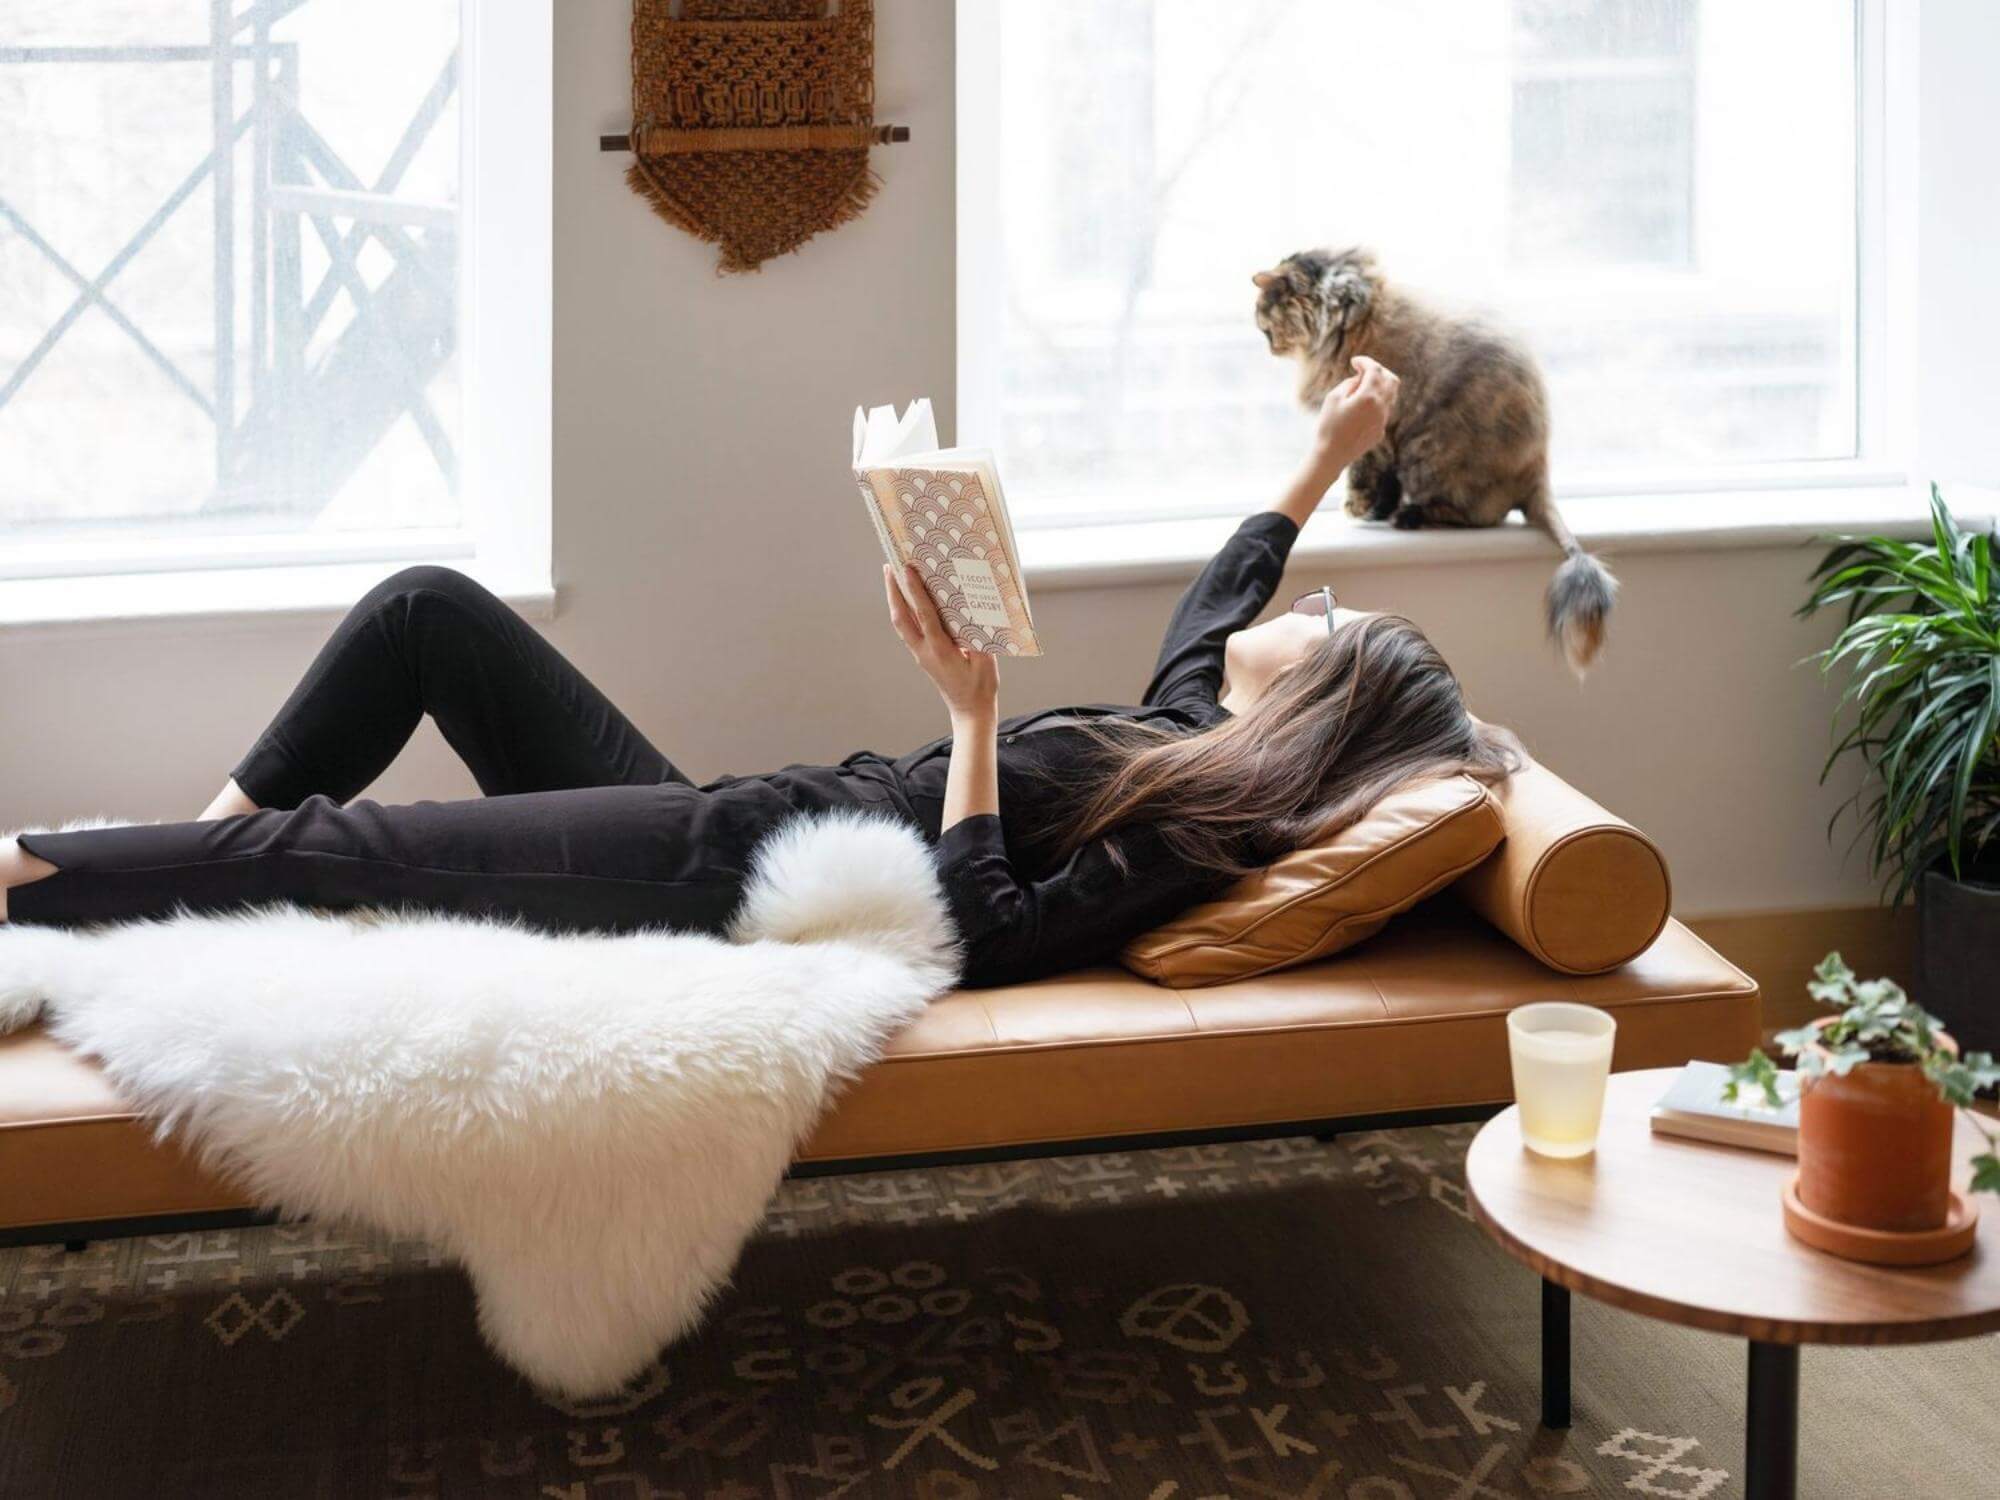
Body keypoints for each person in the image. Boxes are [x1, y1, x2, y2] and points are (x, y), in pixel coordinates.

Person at [0, 356, 1516, 988]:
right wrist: (1323, 456)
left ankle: (42, 877)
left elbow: (986, 932)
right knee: (426, 612)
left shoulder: (1201, 829)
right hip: (726, 817)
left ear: (1313, 701)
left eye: (1322, 624)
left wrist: (972, 718)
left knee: (359, 852)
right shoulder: (1189, 726)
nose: (1292, 610)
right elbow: (1226, 589)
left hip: (723, 888)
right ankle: (184, 866)